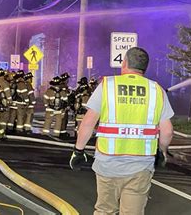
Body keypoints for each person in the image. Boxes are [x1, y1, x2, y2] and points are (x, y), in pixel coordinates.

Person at [69, 47, 174, 215]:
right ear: (144, 68)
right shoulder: (157, 90)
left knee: (105, 210)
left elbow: (88, 123)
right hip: (140, 165)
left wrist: (78, 150)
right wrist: (162, 152)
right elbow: (167, 131)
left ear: (124, 63)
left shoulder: (107, 86)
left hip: (107, 164)